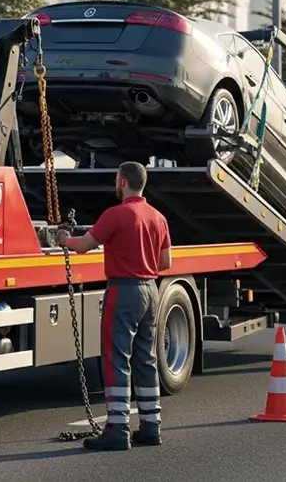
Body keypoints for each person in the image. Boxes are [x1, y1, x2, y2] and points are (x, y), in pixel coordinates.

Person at [55, 161, 172, 452]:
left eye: (116, 180)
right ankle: (151, 426)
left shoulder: (116, 214)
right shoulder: (158, 218)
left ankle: (118, 429)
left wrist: (63, 239)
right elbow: (165, 263)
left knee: (117, 357)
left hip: (123, 290)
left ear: (122, 182)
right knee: (146, 359)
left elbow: (83, 246)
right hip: (151, 289)